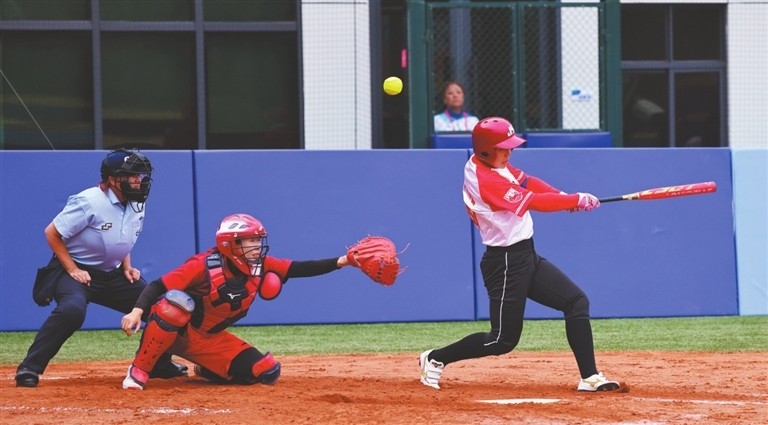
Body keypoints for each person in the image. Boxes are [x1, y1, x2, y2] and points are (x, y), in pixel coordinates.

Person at [418, 117, 620, 392]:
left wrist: (563, 195)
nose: (510, 151)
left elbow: (529, 182)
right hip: (504, 263)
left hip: (526, 254)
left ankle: (589, 377)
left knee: (576, 301)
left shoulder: (494, 165)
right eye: (504, 147)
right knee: (502, 340)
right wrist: (574, 200)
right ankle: (435, 358)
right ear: (486, 150)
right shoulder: (486, 179)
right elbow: (532, 201)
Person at [120, 213, 359, 390]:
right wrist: (136, 312)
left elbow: (298, 268)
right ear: (231, 244)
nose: (257, 246)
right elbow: (157, 286)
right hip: (177, 331)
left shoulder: (260, 265)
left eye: (258, 240)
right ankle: (139, 370)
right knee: (172, 307)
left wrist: (342, 261)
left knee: (265, 371)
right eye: (251, 241)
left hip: (209, 340)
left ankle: (207, 368)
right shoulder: (202, 265)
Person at [15, 149, 187, 388]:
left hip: (113, 273)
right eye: (131, 175)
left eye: (141, 175)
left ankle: (158, 363)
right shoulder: (89, 201)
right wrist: (73, 269)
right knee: (71, 311)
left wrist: (127, 266)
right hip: (76, 272)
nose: (139, 180)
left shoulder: (137, 202)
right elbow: (52, 233)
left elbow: (124, 236)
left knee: (164, 308)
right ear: (112, 178)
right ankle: (29, 368)